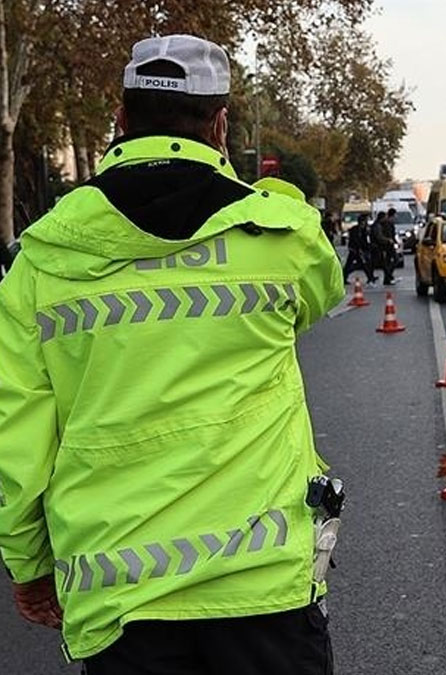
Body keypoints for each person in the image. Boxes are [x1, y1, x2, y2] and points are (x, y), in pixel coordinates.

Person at [0, 35, 344, 673]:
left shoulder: (42, 258)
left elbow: (17, 442)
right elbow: (323, 291)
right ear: (220, 123)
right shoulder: (280, 236)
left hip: (121, 596)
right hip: (261, 587)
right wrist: (273, 201)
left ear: (122, 119)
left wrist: (28, 564)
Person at [344, 214, 375, 285]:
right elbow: (355, 240)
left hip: (359, 249)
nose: (366, 222)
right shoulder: (356, 229)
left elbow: (365, 239)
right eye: (365, 221)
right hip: (355, 249)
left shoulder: (363, 229)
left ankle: (370, 277)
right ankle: (370, 278)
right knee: (360, 264)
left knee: (364, 264)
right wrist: (359, 248)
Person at [369, 211, 396, 286]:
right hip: (377, 247)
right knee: (379, 264)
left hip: (379, 247)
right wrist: (388, 240)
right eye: (385, 217)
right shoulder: (377, 226)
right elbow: (379, 237)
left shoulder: (379, 225)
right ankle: (387, 277)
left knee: (380, 264)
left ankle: (387, 277)